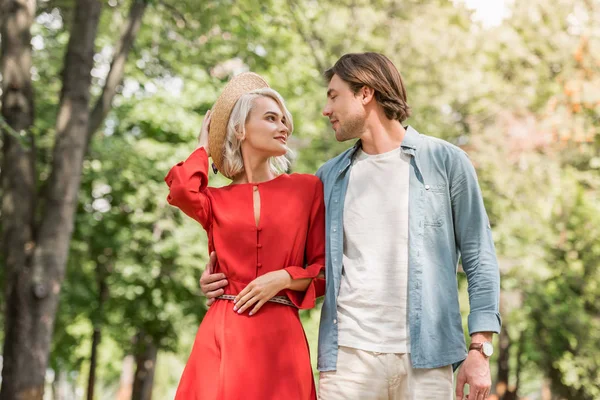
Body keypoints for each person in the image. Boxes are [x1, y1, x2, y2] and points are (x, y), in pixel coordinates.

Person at [200, 53, 501, 400]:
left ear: (365, 93)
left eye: (333, 96)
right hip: (347, 364)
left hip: (428, 360)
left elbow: (479, 258)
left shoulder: (445, 162)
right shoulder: (327, 179)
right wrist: (225, 283)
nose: (326, 110)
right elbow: (307, 268)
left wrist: (480, 348)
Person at [165, 72, 325, 399]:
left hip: (281, 336)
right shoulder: (214, 200)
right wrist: (203, 146)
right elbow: (182, 190)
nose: (284, 127)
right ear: (240, 129)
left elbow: (323, 271)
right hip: (223, 329)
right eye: (271, 118)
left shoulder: (307, 189)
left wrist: (282, 278)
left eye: (284, 120)